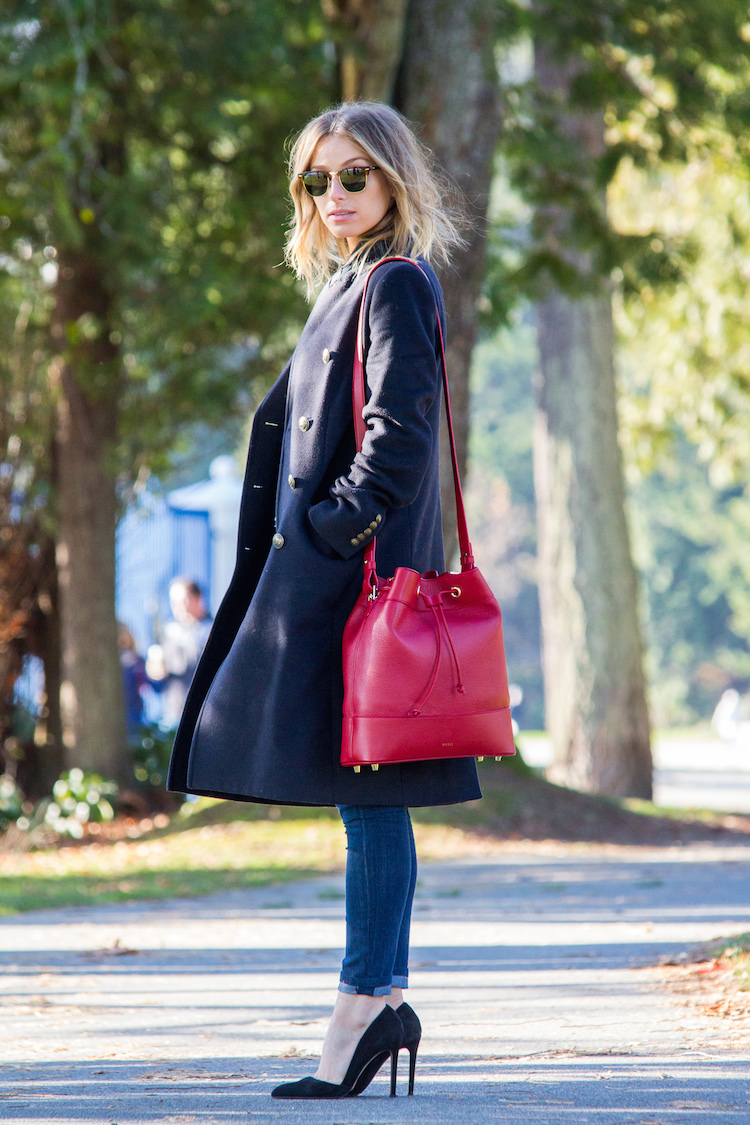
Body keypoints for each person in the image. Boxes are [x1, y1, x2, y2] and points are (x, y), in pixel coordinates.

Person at [167, 101, 482, 1098]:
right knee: (368, 799)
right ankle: (377, 1003)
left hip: (356, 582)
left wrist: (324, 533)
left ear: (395, 181)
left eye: (355, 176)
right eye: (318, 180)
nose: (336, 195)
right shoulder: (349, 286)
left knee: (373, 799)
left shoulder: (394, 286)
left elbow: (399, 440)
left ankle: (366, 1004)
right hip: (339, 579)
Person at [148, 579, 212, 728]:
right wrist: (155, 671)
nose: (177, 607)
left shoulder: (213, 630)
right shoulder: (168, 632)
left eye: (183, 601)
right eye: (173, 602)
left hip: (207, 712)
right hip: (175, 714)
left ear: (197, 598)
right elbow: (157, 679)